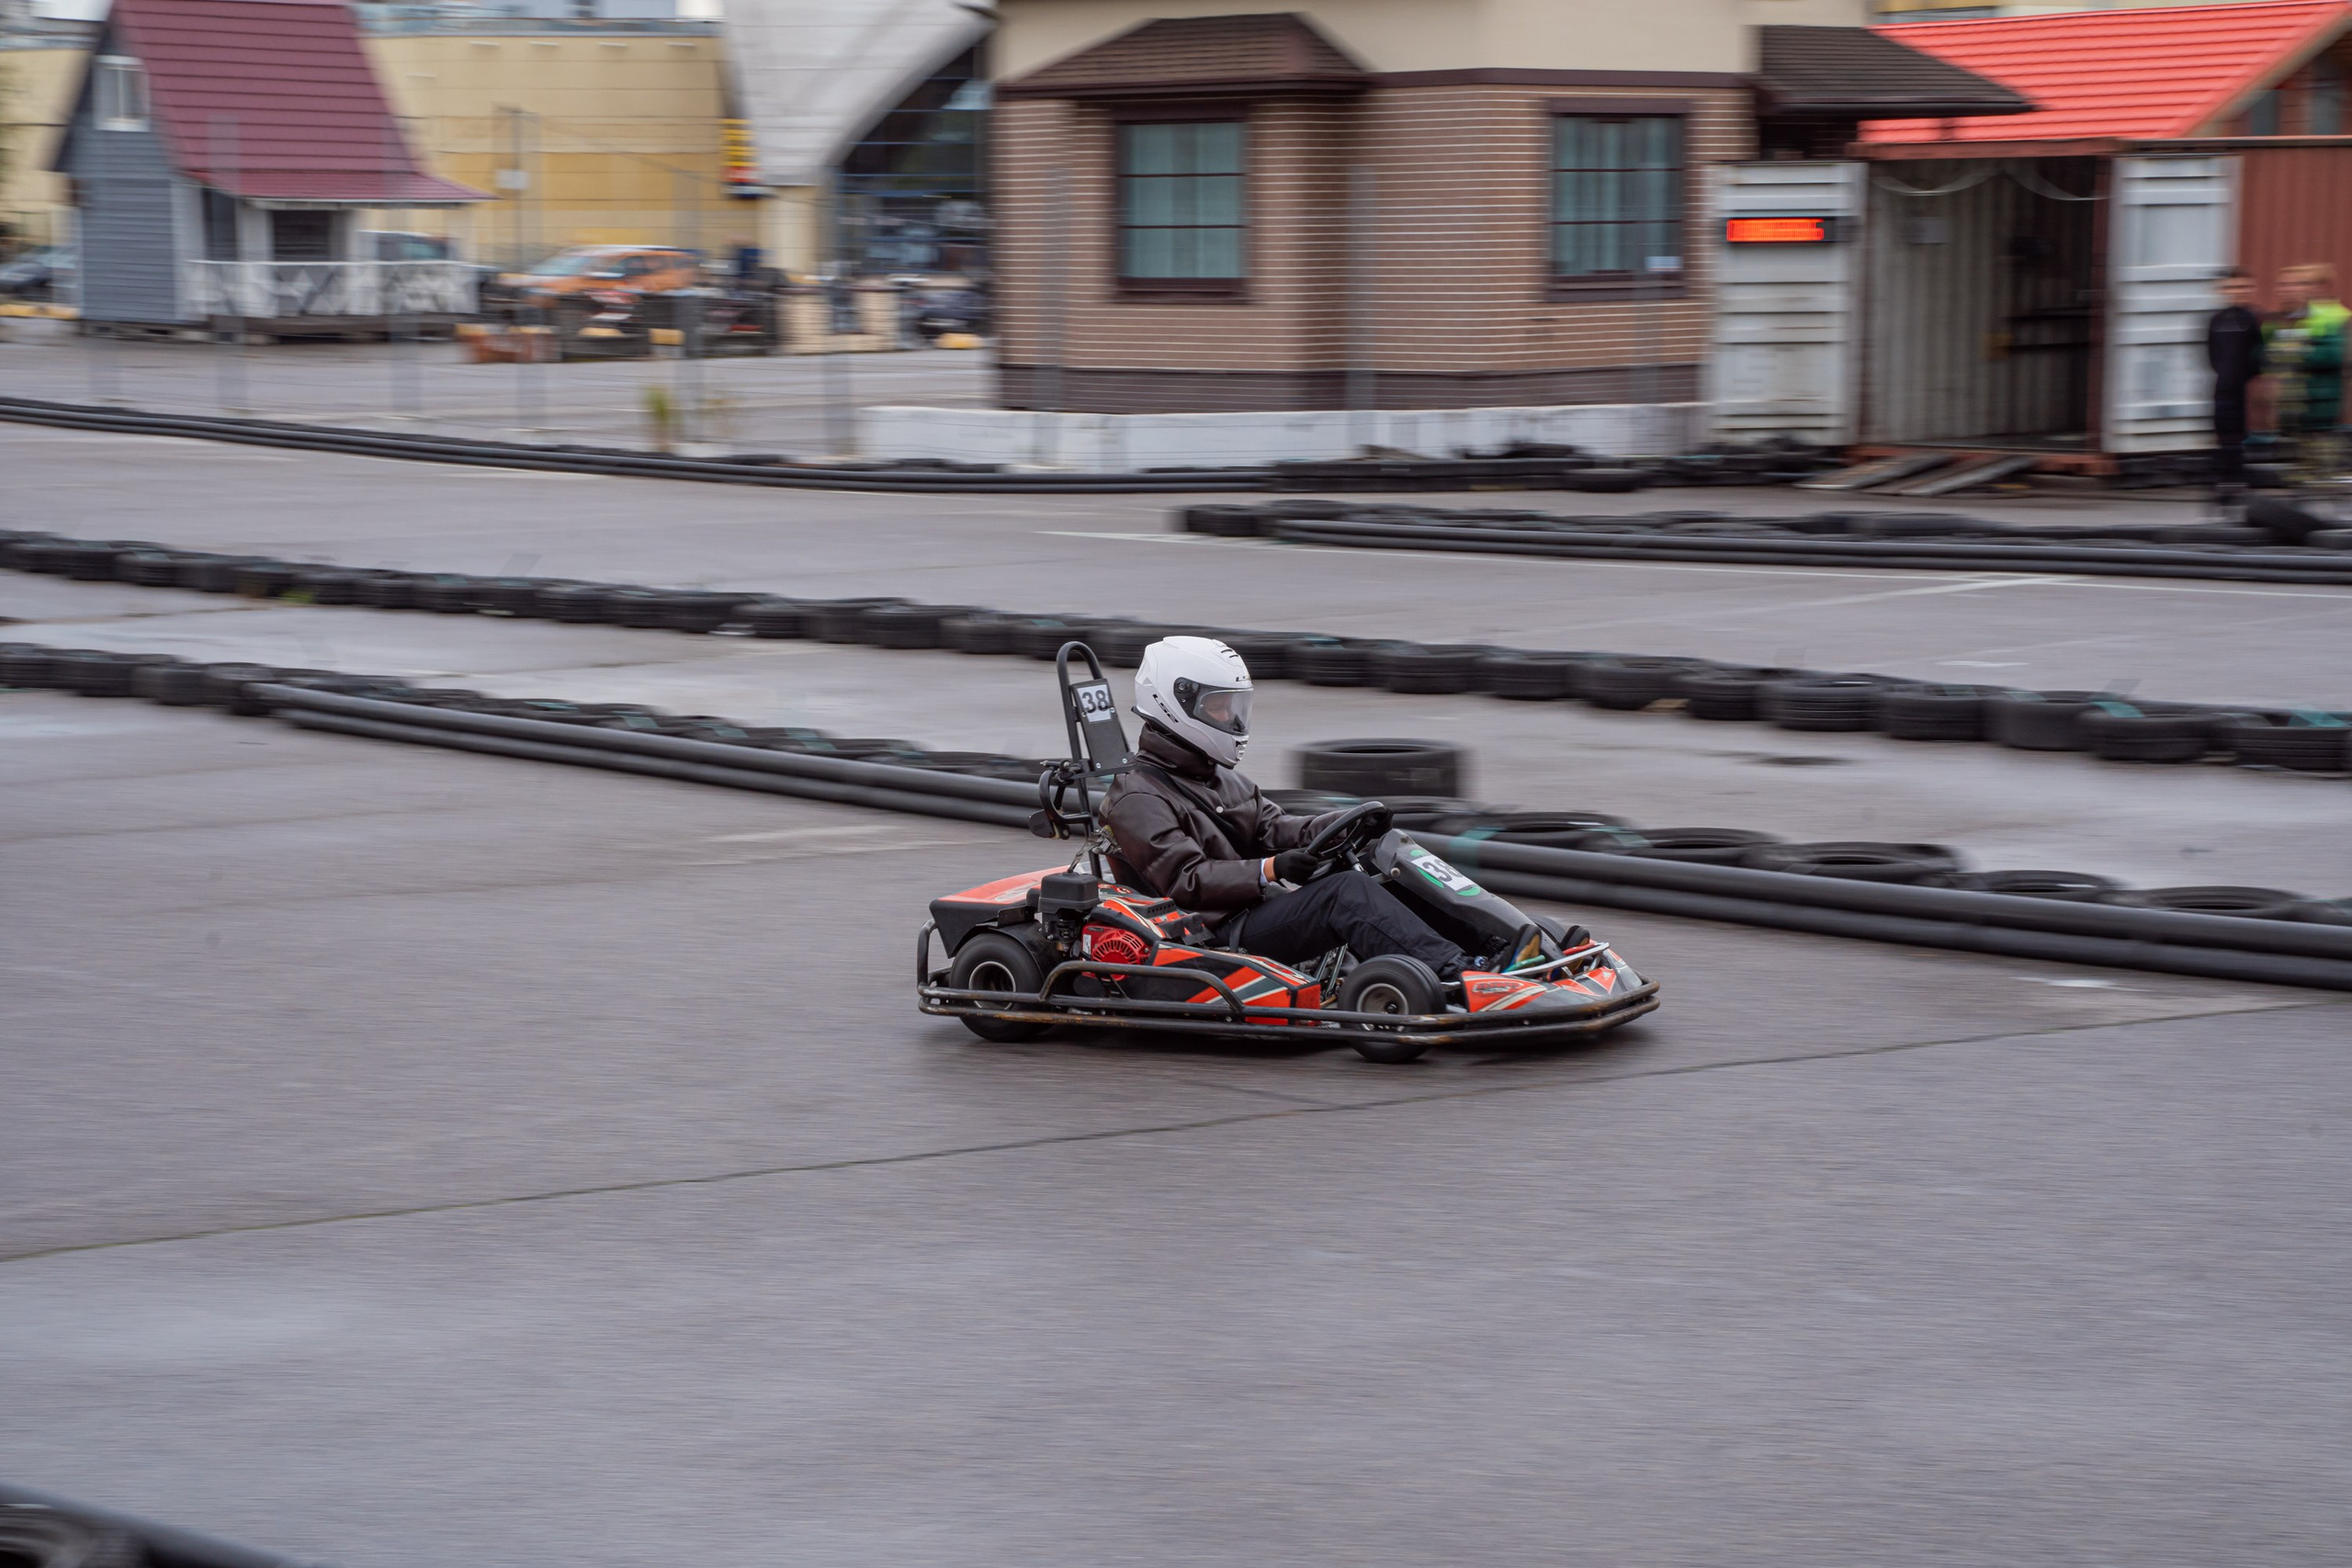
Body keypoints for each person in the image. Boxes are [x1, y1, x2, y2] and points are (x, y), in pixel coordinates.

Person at [1101, 636, 1473, 984]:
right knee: (1344, 893)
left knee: (1382, 861)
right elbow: (1187, 881)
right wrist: (1270, 868)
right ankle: (1452, 972)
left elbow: (1274, 828)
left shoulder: (1220, 778)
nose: (1230, 719)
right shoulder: (1138, 797)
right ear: (1173, 705)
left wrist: (1344, 824)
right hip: (1213, 933)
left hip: (1257, 910)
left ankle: (1492, 947)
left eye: (1233, 707)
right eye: (1218, 707)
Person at [2267, 262, 2347, 479]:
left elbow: (2335, 356)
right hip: (2298, 402)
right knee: (2302, 467)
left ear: (2323, 286)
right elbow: (2271, 353)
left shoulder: (2337, 317)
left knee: (2320, 465)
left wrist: (2295, 352)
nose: (2301, 289)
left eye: (2307, 283)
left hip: (2322, 400)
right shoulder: (2293, 316)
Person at [2207, 268, 2266, 505]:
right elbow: (2210, 355)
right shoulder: (2216, 321)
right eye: (2231, 288)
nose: (2237, 292)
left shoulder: (2253, 319)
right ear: (2223, 291)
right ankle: (2224, 481)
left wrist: (2247, 377)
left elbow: (2260, 354)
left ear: (2251, 290)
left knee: (2239, 435)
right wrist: (2225, 374)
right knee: (2224, 435)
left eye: (2242, 287)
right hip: (2222, 386)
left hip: (2243, 387)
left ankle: (2237, 481)